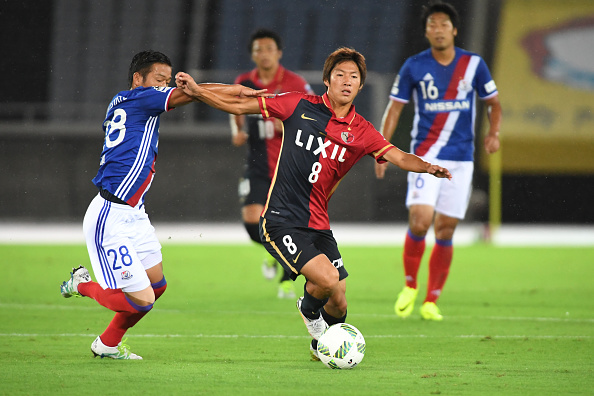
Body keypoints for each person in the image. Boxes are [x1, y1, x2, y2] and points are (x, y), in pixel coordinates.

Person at [175, 47, 451, 360]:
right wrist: (199, 92)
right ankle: (309, 314)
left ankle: (318, 348)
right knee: (328, 280)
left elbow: (399, 156)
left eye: (354, 77)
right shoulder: (297, 105)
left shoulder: (362, 132)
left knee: (339, 300)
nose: (347, 81)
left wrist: (427, 166)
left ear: (360, 86)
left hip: (318, 224)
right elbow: (241, 103)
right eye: (340, 75)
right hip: (281, 220)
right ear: (326, 81)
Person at [59, 50, 265, 359]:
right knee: (141, 299)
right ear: (138, 79)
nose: (165, 86)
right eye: (159, 80)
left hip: (134, 214)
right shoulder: (139, 99)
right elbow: (192, 94)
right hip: (110, 216)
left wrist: (230, 91)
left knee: (156, 287)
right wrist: (236, 91)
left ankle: (107, 344)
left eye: (167, 81)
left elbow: (192, 93)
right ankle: (82, 283)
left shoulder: (126, 101)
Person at [375, 1, 502, 321]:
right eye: (432, 24)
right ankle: (409, 286)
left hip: (461, 160)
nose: (438, 29)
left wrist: (493, 133)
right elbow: (394, 109)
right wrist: (381, 149)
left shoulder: (473, 65)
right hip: (425, 157)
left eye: (444, 24)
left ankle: (432, 300)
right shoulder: (414, 66)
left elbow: (493, 103)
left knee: (445, 230)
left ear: (455, 29)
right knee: (420, 220)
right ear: (426, 31)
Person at [231, 29, 314, 298]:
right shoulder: (244, 82)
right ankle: (272, 253)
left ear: (279, 52)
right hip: (257, 163)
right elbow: (233, 108)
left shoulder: (295, 82)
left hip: (289, 166)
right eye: (258, 49)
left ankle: (286, 281)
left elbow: (311, 114)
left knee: (287, 224)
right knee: (252, 222)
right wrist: (237, 129)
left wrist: (286, 123)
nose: (263, 53)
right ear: (252, 54)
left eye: (268, 48)